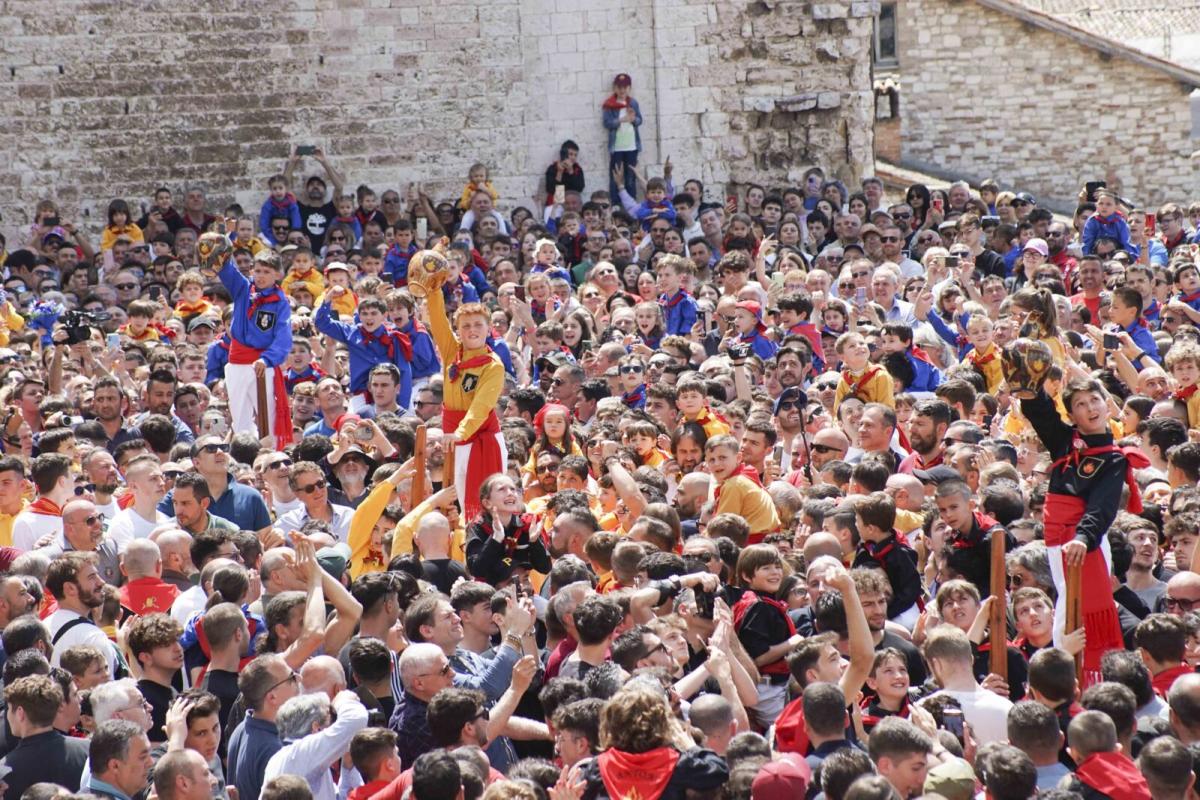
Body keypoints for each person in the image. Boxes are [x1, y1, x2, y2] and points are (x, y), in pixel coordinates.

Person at [1022, 377, 1148, 686]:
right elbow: (1042, 416)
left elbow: (1101, 508)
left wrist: (1082, 537)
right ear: (1072, 416)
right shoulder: (1066, 442)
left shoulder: (1113, 458)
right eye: (1080, 404)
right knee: (1067, 603)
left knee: (1076, 612)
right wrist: (1027, 386)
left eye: (1094, 400)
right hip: (1057, 540)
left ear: (1107, 404)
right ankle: (1067, 674)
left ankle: (1084, 677)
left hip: (1083, 543)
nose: (1090, 408)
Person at [212, 244, 293, 448]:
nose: (261, 276)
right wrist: (226, 238)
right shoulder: (243, 288)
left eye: (266, 272)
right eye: (257, 270)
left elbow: (283, 336)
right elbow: (226, 269)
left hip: (262, 363)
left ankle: (270, 455)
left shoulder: (280, 302)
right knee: (240, 416)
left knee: (268, 418)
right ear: (251, 271)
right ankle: (244, 454)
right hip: (237, 360)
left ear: (277, 274)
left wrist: (268, 359)